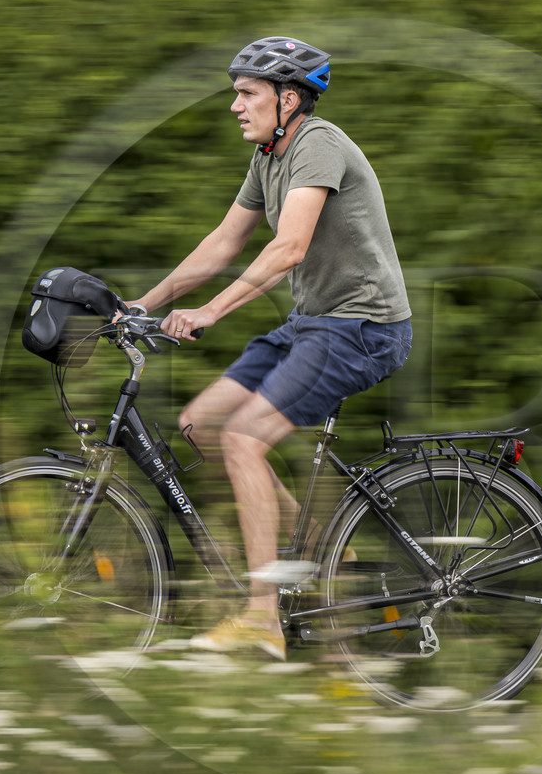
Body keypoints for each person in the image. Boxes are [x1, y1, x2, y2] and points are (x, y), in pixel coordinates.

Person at [124, 36, 413, 660]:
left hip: (363, 327)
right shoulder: (268, 156)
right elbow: (223, 245)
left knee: (244, 438)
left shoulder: (318, 145)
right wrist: (140, 306)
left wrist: (209, 311)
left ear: (288, 99)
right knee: (203, 423)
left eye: (246, 94)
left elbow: (288, 249)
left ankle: (262, 619)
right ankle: (316, 545)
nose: (235, 106)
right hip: (316, 323)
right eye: (236, 94)